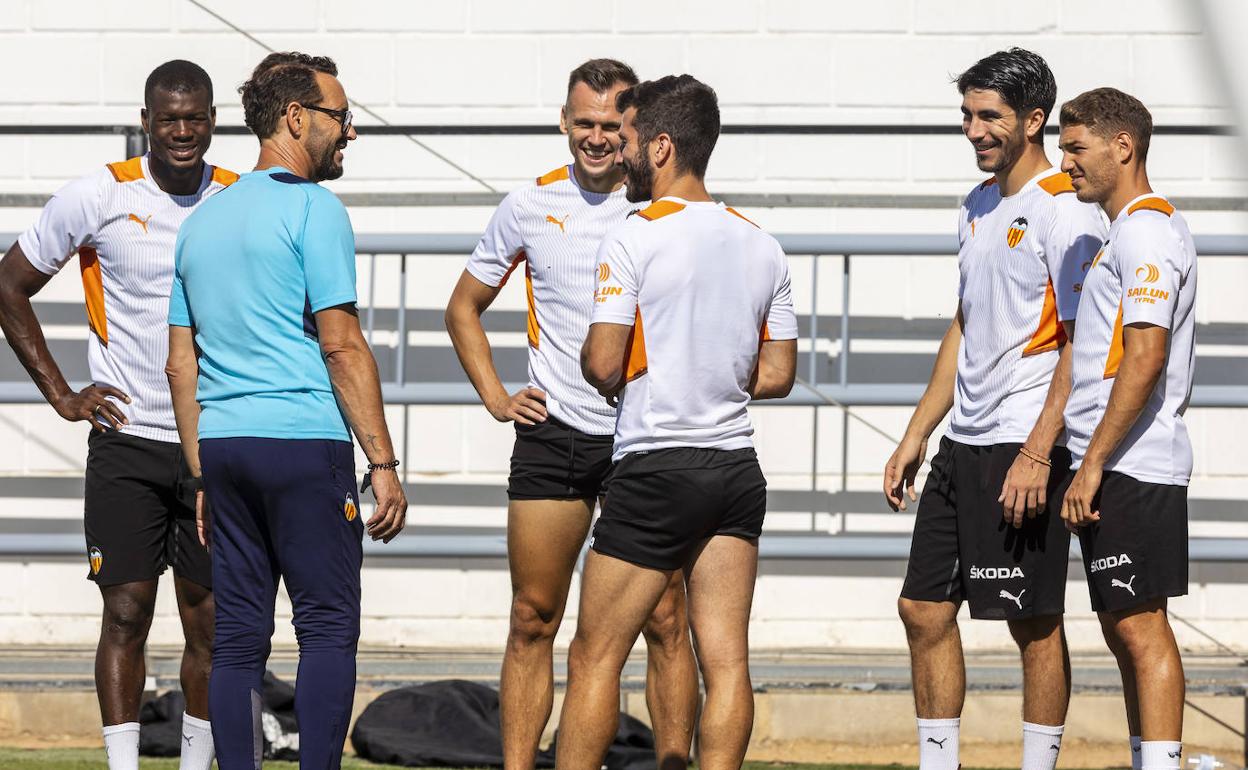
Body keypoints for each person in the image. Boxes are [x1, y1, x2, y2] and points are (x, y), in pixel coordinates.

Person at [444, 59, 698, 769]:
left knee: (665, 617)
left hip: (641, 440)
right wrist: (497, 397)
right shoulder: (528, 204)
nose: (595, 138)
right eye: (582, 123)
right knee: (533, 617)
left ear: (636, 129)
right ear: (563, 121)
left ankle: (674, 760)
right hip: (551, 436)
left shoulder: (660, 208)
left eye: (610, 126)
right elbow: (462, 307)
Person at [167, 52, 407, 769]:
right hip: (305, 444)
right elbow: (342, 346)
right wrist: (384, 463)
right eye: (341, 117)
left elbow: (182, 365)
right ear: (296, 118)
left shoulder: (200, 224)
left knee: (238, 636)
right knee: (328, 628)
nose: (351, 133)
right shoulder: (314, 208)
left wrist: (201, 474)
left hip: (227, 447)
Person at [555, 74, 798, 770]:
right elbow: (777, 376)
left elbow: (602, 364)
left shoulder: (635, 235)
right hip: (734, 468)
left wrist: (614, 364)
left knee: (595, 653)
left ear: (661, 146)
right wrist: (712, 365)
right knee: (725, 662)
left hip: (657, 464)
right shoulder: (762, 242)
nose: (619, 154)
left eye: (628, 140)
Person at [0, 60, 232, 770]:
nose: (184, 132)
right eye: (170, 119)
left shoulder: (238, 198)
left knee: (210, 620)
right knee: (126, 611)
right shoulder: (100, 192)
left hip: (210, 445)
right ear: (147, 122)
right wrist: (63, 396)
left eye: (196, 118)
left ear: (213, 121)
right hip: (125, 441)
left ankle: (197, 764)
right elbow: (10, 286)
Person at [882, 48, 1107, 770]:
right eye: (968, 115)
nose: (974, 130)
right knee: (922, 610)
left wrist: (1041, 452)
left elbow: (1082, 341)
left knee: (1033, 624)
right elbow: (965, 323)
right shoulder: (976, 206)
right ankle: (939, 763)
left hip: (1025, 444)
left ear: (1033, 120)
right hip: (963, 443)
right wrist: (917, 433)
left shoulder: (1066, 211)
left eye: (990, 117)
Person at [1058, 87, 1195, 770]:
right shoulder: (1125, 233)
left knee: (1141, 629)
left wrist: (1092, 464)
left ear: (1123, 146)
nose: (1065, 161)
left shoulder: (1146, 230)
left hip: (1135, 466)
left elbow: (1146, 356)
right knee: (1121, 627)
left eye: (1076, 147)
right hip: (1115, 464)